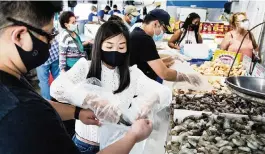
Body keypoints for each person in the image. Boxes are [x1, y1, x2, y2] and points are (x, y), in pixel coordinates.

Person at [0, 1, 153, 154]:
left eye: (121, 46)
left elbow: (42, 103)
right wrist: (133, 136)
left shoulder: (14, 81)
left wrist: (76, 112)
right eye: (48, 35)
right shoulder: (24, 111)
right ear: (19, 35)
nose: (52, 42)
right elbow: (41, 101)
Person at [50, 20, 171, 154]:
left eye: (121, 47)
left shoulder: (133, 74)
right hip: (86, 145)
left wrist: (150, 101)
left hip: (118, 145)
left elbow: (164, 91)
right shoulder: (84, 67)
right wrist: (91, 100)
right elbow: (56, 88)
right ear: (99, 45)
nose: (115, 51)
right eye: (109, 46)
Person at [130, 9, 202, 85]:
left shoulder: (137, 33)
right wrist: (188, 77)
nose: (162, 33)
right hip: (137, 86)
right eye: (163, 30)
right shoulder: (144, 39)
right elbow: (165, 73)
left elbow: (144, 61)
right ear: (155, 24)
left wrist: (166, 60)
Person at [36, 29, 60, 100]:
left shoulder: (33, 25)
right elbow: (55, 32)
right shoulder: (47, 21)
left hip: (42, 58)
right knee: (57, 76)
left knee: (44, 81)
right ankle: (60, 98)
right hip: (54, 53)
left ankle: (48, 101)